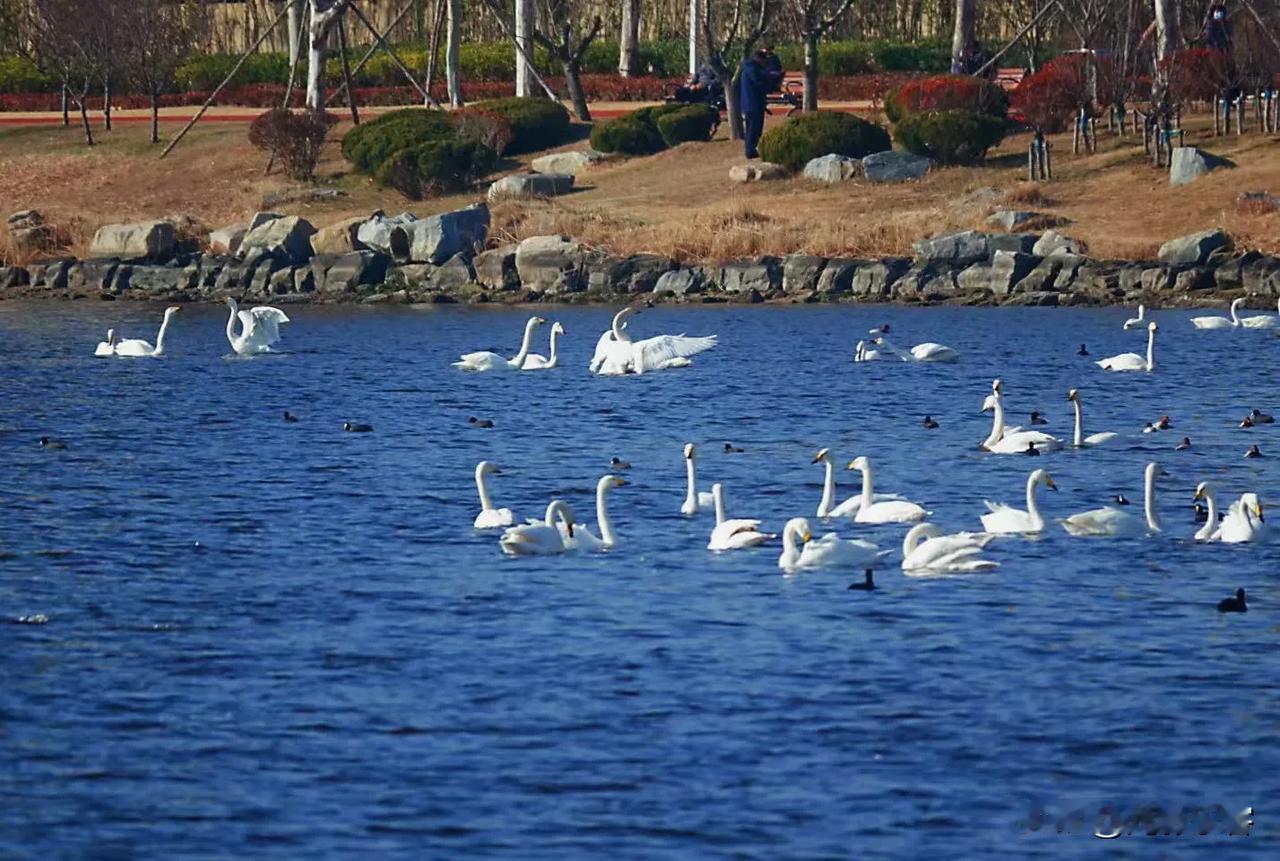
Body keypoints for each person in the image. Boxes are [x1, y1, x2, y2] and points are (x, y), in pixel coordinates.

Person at [740, 49, 770, 159]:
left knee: (752, 128)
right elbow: (759, 84)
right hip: (753, 103)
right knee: (753, 128)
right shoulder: (753, 69)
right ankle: (750, 150)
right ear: (759, 59)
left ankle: (751, 149)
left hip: (750, 103)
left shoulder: (749, 68)